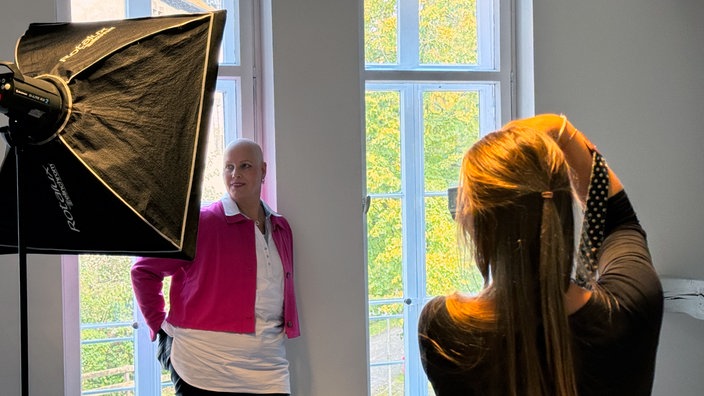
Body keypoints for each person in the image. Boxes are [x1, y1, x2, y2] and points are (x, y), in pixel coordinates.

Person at [418, 114, 664, 396]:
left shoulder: (445, 332)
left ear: (475, 225)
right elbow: (617, 220)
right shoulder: (631, 308)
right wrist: (563, 132)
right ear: (559, 204)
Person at [131, 138, 300, 396]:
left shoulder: (281, 228)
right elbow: (144, 270)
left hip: (268, 366)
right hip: (203, 365)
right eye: (228, 167)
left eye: (245, 166)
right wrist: (158, 325)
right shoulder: (200, 222)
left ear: (263, 170)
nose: (235, 174)